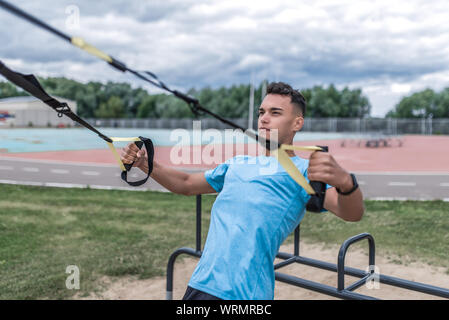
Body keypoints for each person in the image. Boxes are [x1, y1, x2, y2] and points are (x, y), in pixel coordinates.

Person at [120, 82, 364, 300]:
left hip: (244, 294)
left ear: (297, 122)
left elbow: (351, 213)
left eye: (275, 113)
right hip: (200, 284)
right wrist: (145, 164)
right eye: (261, 112)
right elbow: (185, 184)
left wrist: (345, 182)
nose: (264, 119)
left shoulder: (303, 171)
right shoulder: (238, 163)